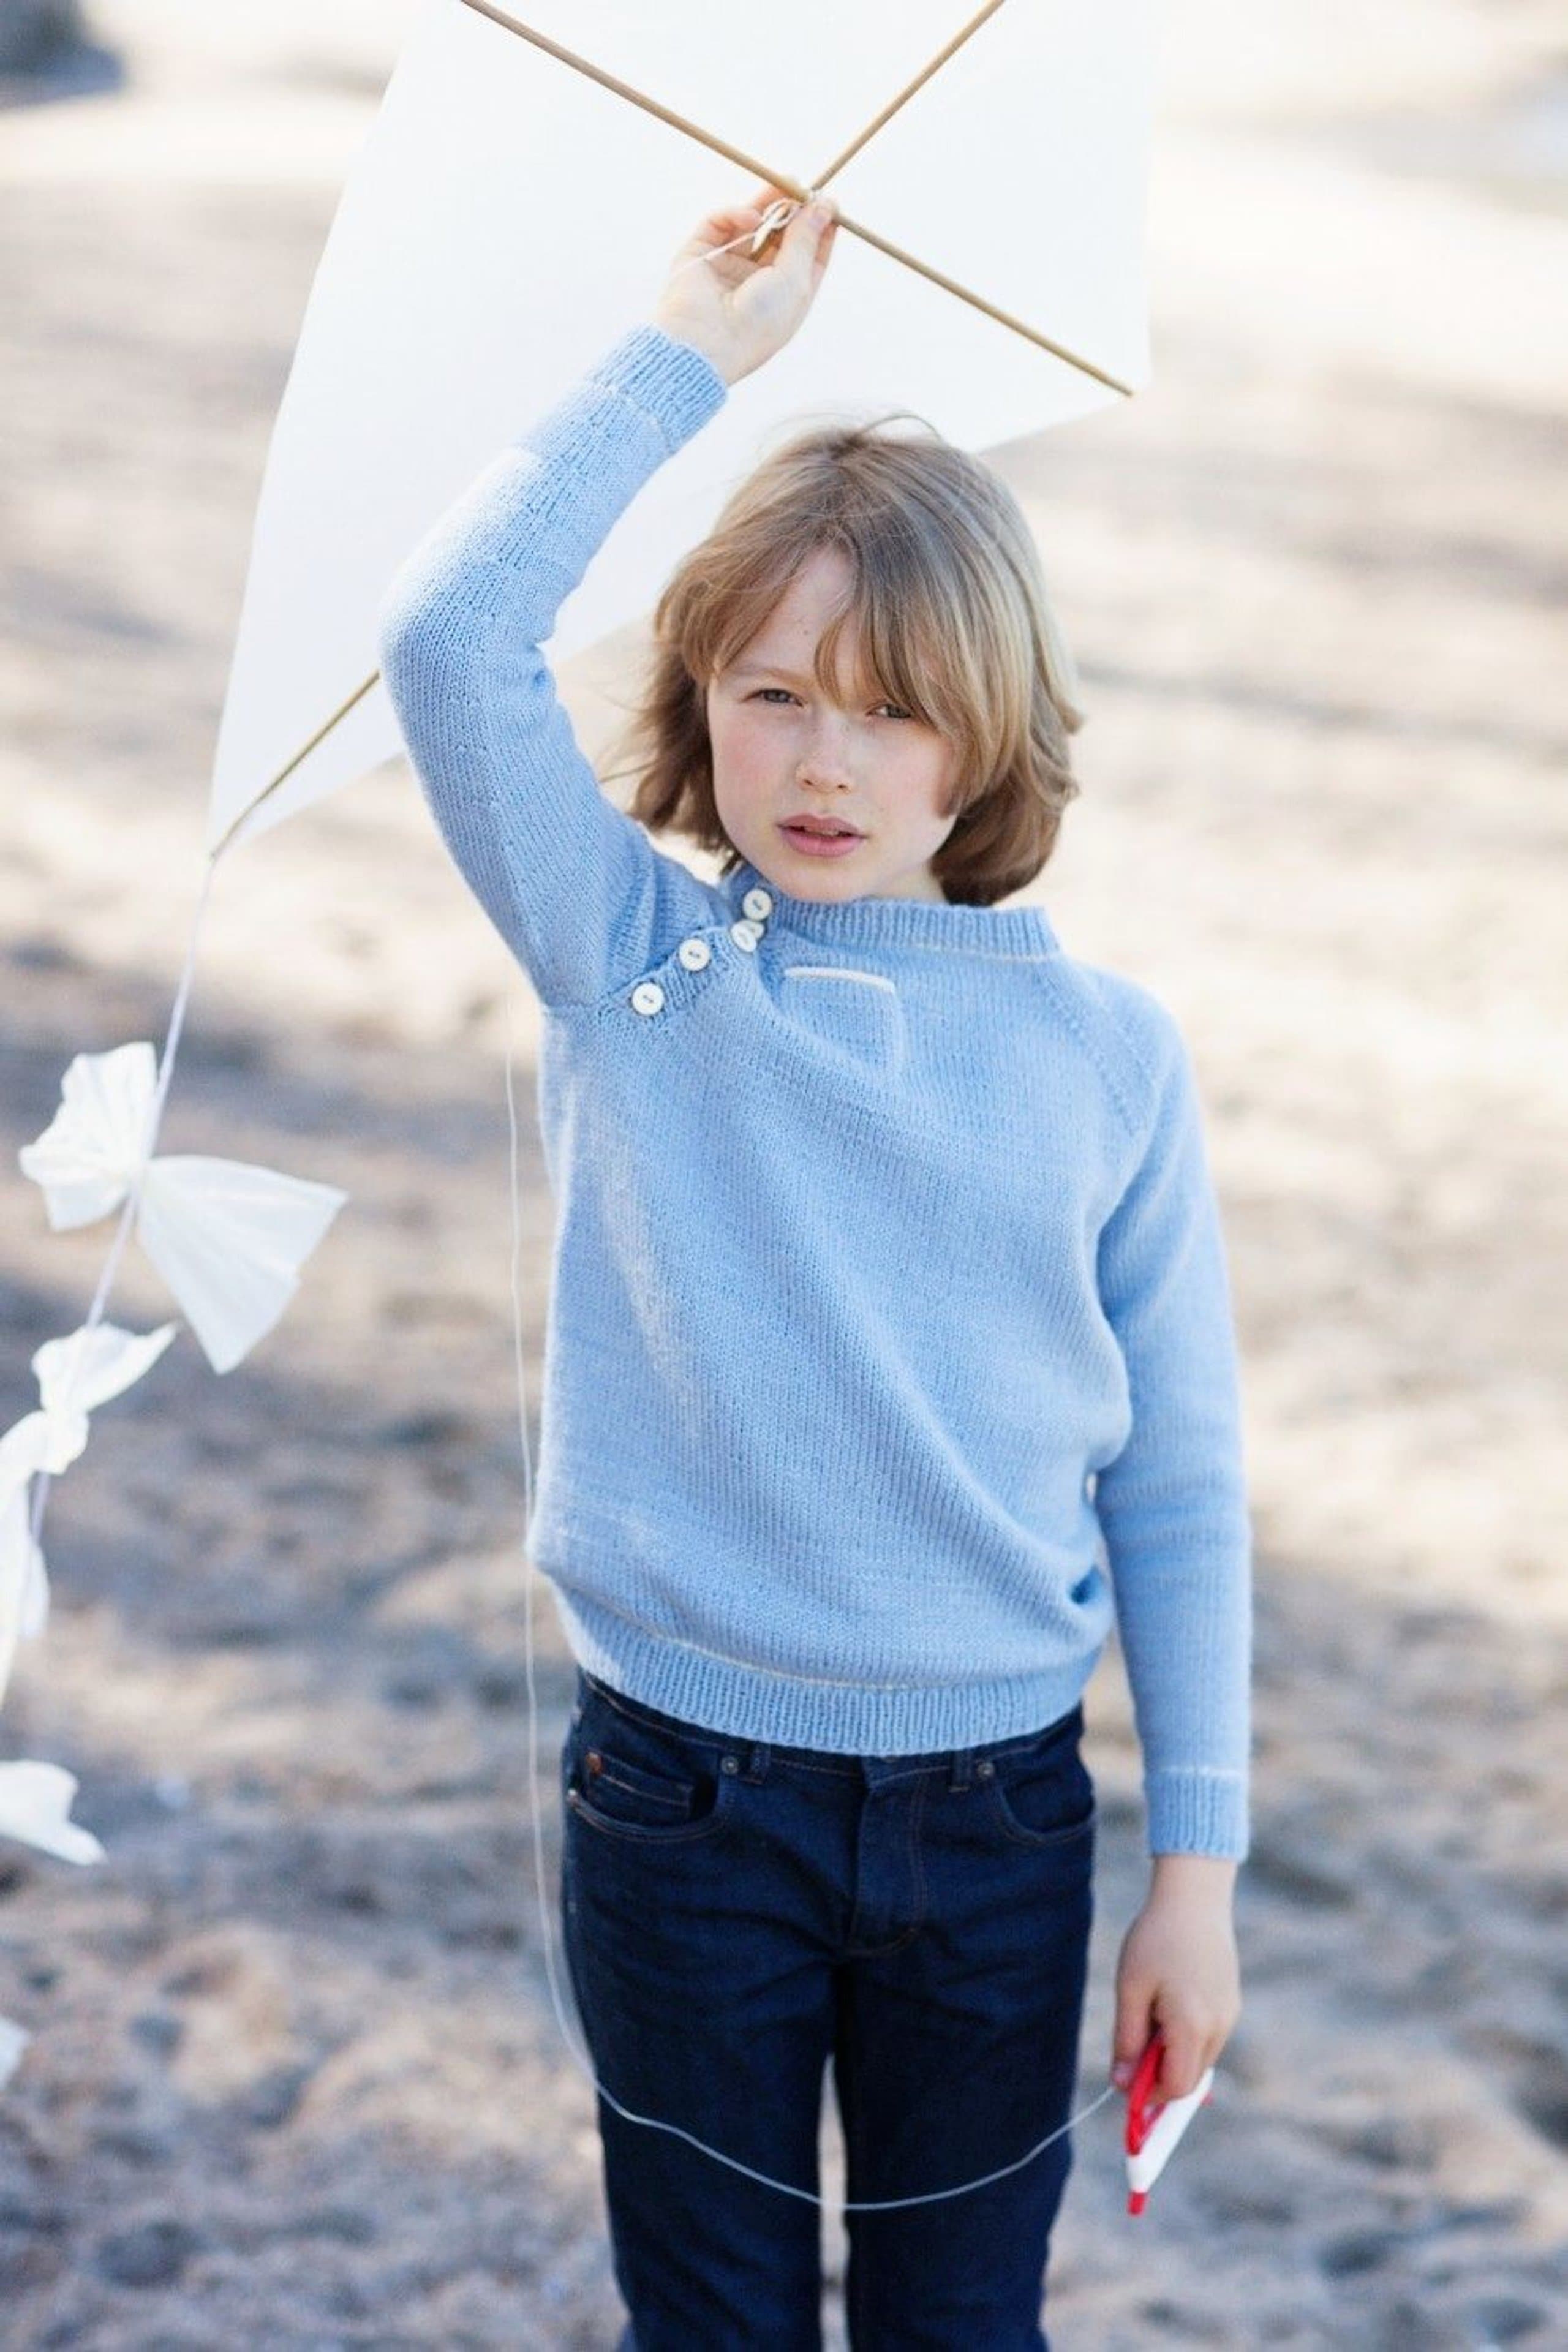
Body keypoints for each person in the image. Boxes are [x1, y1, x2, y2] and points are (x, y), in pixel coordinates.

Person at [378, 183, 1250, 2352]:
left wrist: (1199, 1874)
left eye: (891, 709)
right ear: (701, 702)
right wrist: (683, 355)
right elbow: (449, 640)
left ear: (994, 732)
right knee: (716, 2328)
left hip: (1000, 1826)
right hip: (679, 1806)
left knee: (963, 2330)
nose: (826, 760)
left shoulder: (1108, 1057)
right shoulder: (637, 961)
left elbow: (1179, 1483)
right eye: (772, 694)